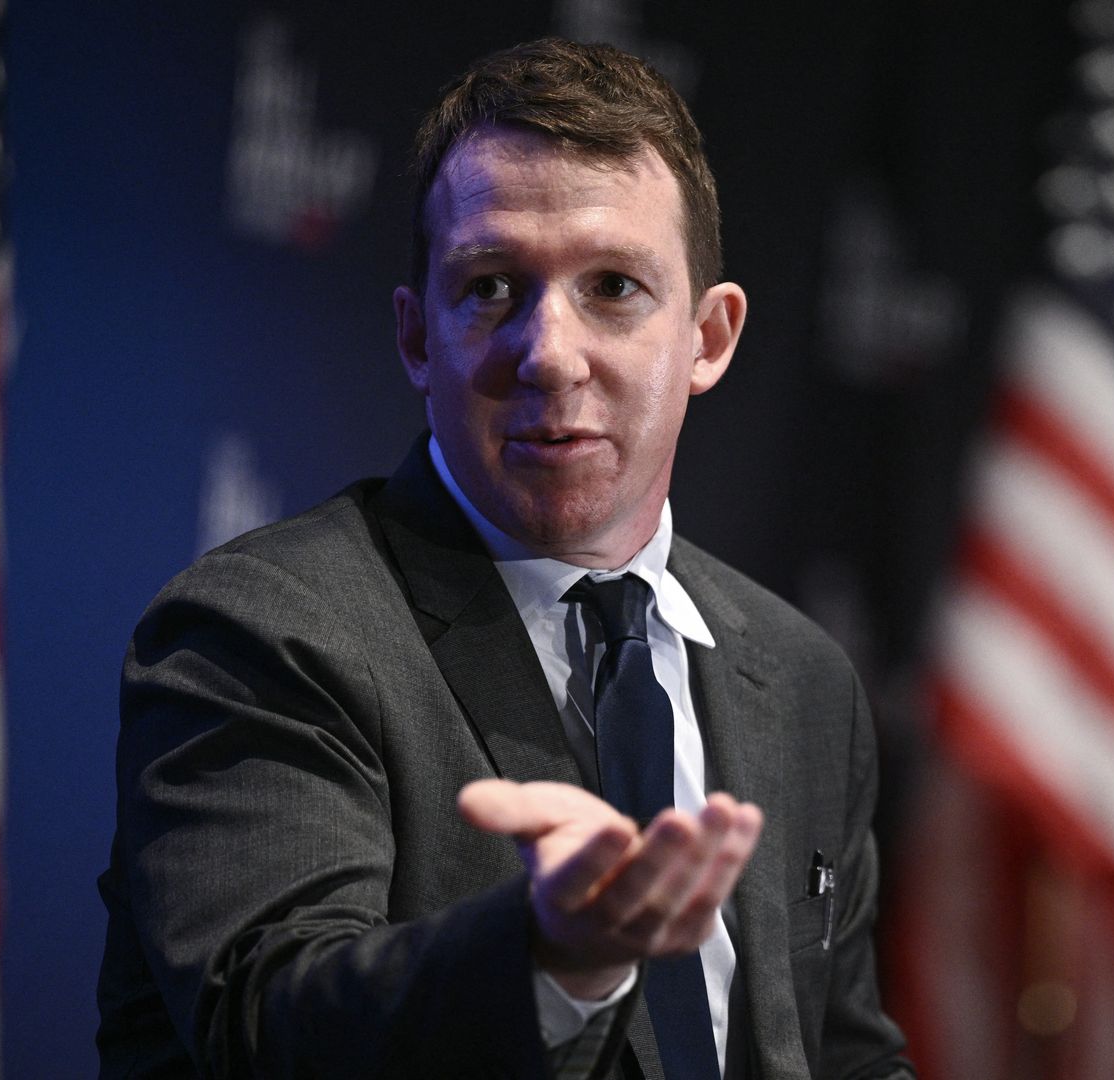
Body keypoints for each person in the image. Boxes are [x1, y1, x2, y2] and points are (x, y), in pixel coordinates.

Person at [95, 38, 914, 1080]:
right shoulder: (260, 634)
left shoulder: (803, 679)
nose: (549, 354)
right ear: (416, 338)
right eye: (490, 288)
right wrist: (548, 961)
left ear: (709, 338)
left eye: (613, 286)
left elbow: (844, 1056)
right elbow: (273, 1021)